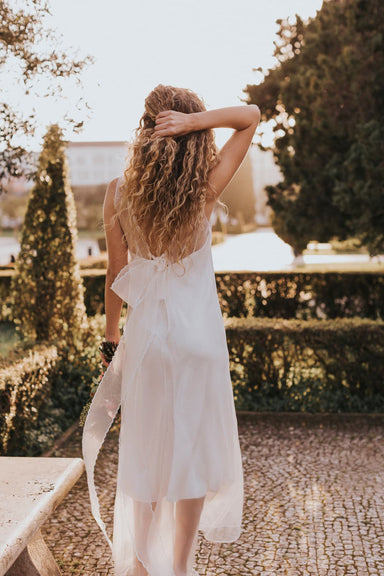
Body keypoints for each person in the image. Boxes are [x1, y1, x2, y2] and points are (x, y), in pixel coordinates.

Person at [82, 84, 260, 576]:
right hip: (198, 340)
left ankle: (140, 568)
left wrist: (111, 338)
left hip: (148, 344)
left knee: (146, 458)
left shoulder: (120, 193)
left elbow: (116, 273)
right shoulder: (204, 188)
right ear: (192, 134)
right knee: (194, 457)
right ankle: (179, 569)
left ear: (145, 128)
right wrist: (195, 123)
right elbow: (251, 115)